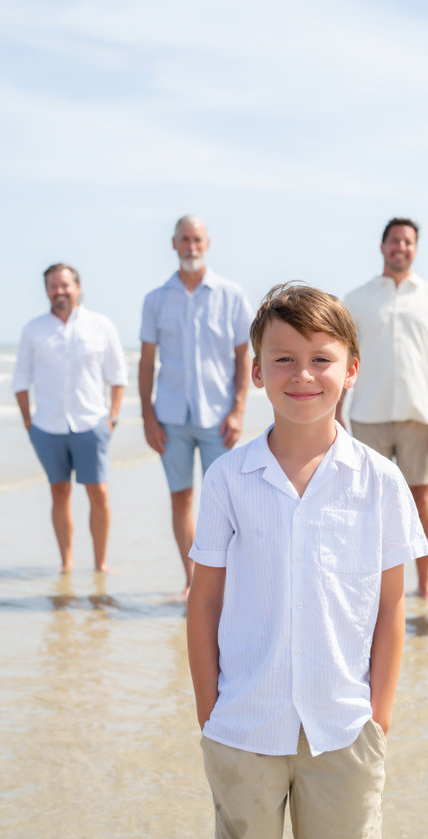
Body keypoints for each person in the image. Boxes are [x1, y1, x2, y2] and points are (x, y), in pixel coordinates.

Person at [187, 283, 428, 839]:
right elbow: (204, 602)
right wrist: (209, 712)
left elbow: (391, 606)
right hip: (243, 725)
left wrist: (378, 717)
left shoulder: (379, 481)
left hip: (344, 729)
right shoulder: (227, 478)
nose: (303, 375)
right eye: (283, 359)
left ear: (351, 370)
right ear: (257, 371)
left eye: (322, 358)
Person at [138, 215, 253, 600]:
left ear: (207, 243)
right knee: (181, 497)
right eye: (184, 239)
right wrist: (148, 416)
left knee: (224, 500)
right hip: (170, 418)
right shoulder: (155, 299)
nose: (191, 246)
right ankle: (192, 581)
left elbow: (244, 357)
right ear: (174, 244)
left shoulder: (231, 295)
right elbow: (146, 361)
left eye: (197, 239)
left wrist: (238, 410)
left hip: (218, 417)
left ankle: (227, 582)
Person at [341, 217, 428, 600]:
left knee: (420, 501)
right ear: (382, 246)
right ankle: (368, 585)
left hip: (418, 415)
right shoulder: (357, 298)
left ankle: (423, 583)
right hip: (367, 414)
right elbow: (342, 358)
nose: (400, 247)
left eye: (407, 242)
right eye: (394, 240)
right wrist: (335, 411)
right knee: (367, 504)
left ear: (415, 249)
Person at [12, 263, 127, 573]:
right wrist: (29, 424)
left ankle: (100, 564)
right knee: (59, 493)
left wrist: (112, 419)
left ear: (78, 287)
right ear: (46, 291)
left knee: (99, 494)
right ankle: (66, 563)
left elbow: (118, 377)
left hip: (92, 423)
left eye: (65, 285)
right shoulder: (33, 330)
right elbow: (20, 380)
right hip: (47, 427)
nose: (59, 291)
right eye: (53, 286)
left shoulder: (100, 325)